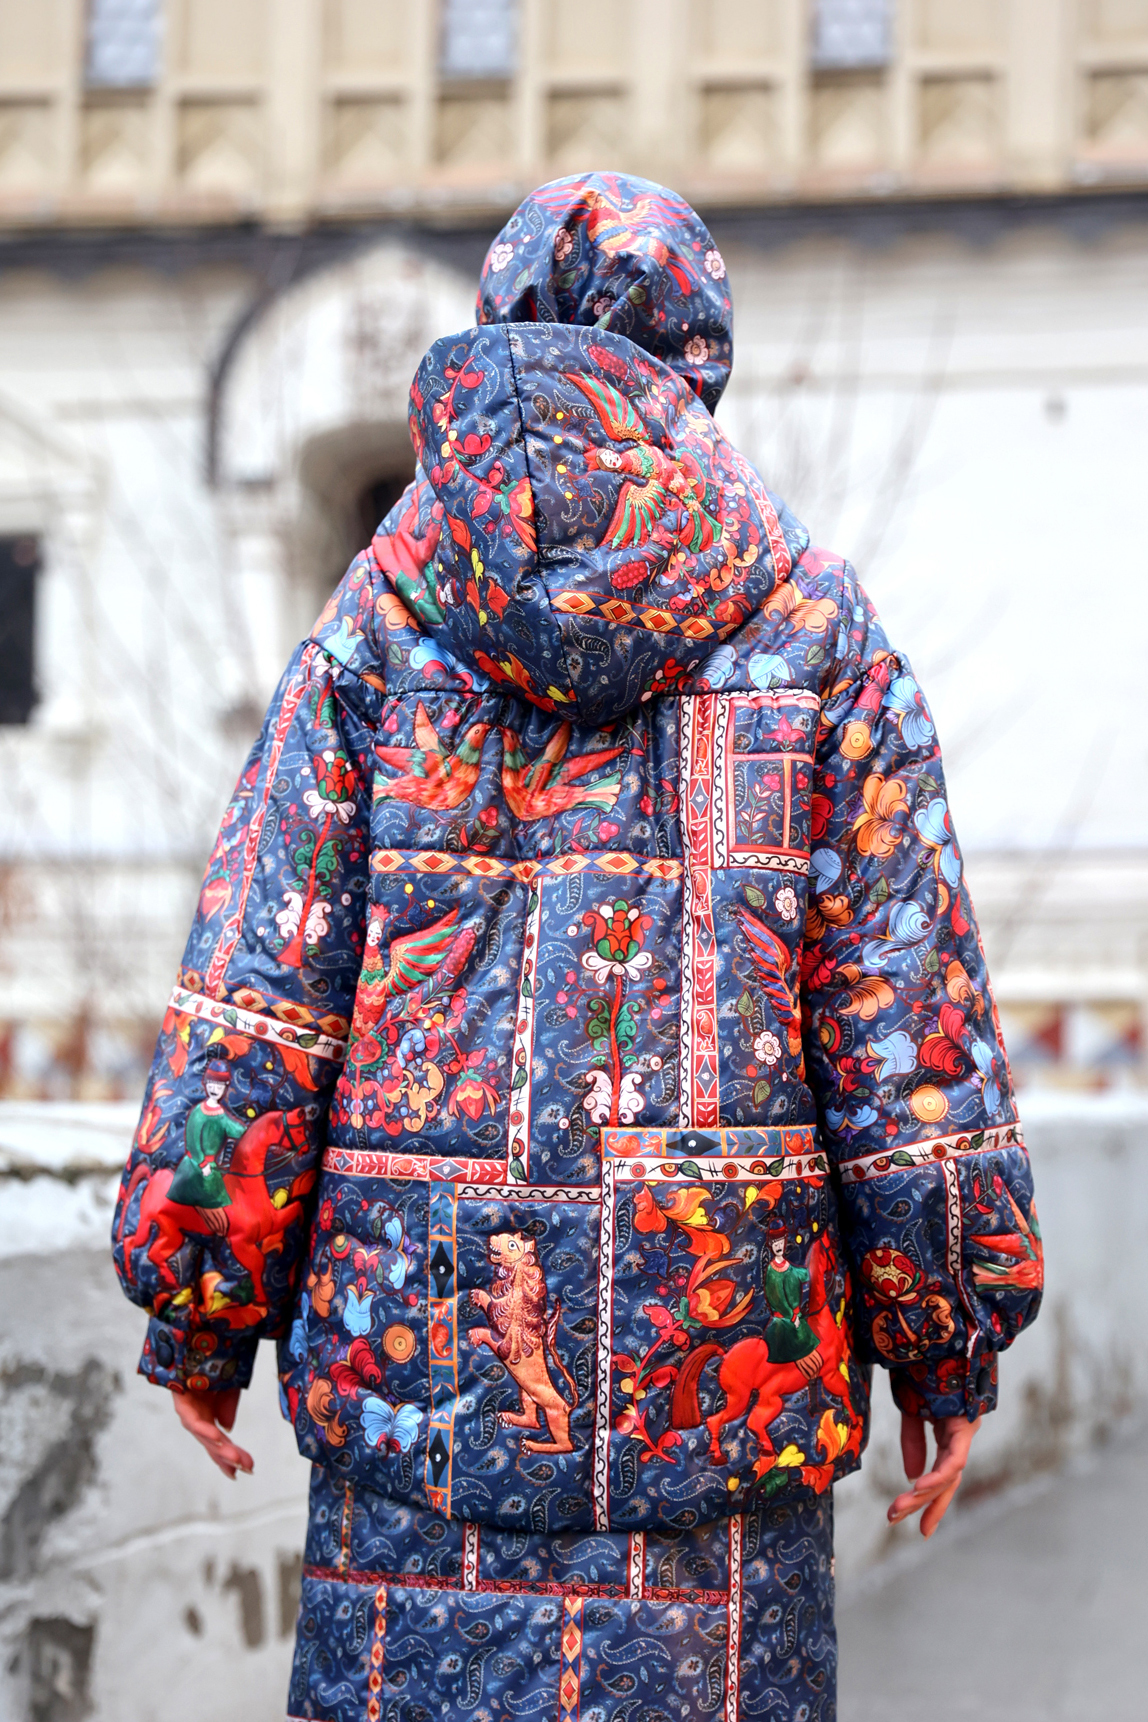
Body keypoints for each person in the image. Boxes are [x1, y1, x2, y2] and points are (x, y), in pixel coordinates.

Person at [113, 173, 1042, 1719]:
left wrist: (205, 1297)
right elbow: (908, 1027)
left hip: (416, 1398)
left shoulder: (377, 621)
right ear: (701, 357)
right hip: (719, 1410)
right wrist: (946, 1332)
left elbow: (264, 984)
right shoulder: (815, 627)